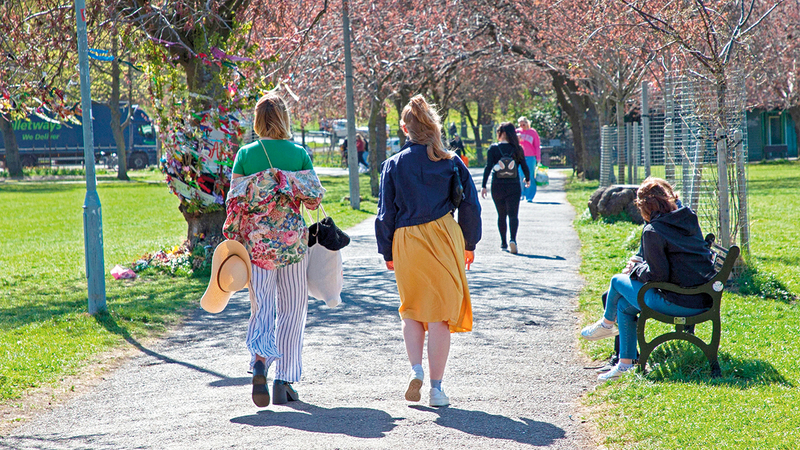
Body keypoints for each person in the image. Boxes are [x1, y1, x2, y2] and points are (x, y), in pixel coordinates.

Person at [376, 95, 482, 407]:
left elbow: (385, 214)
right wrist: (469, 243)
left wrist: (387, 252)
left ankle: (416, 369)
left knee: (411, 310)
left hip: (406, 240)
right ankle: (436, 389)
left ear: (404, 129)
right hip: (444, 237)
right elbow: (470, 205)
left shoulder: (392, 165)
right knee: (440, 316)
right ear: (433, 126)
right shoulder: (451, 161)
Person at [225, 92, 325, 407]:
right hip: (292, 243)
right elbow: (314, 199)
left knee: (262, 306)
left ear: (257, 120)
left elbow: (234, 202)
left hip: (257, 245)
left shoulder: (245, 155)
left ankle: (259, 362)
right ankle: (284, 379)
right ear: (284, 118)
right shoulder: (298, 154)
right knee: (293, 308)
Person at [580, 177, 717, 381]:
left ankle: (606, 324)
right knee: (624, 306)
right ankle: (625, 364)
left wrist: (635, 268)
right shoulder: (687, 217)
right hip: (702, 298)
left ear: (643, 207)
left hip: (678, 302)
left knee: (617, 281)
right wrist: (641, 267)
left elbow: (658, 275)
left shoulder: (653, 230)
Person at [481, 122, 530, 254]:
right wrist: (527, 178)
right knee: (513, 215)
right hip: (513, 185)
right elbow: (524, 165)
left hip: (497, 186)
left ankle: (503, 242)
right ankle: (513, 239)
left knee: (501, 215)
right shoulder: (517, 148)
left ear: (502, 133)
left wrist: (483, 185)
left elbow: (488, 167)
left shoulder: (493, 149)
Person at [516, 116, 541, 202]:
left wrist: (538, 158)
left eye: (524, 124)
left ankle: (529, 195)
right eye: (520, 125)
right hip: (519, 156)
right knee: (520, 175)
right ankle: (521, 194)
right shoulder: (517, 132)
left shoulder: (532, 132)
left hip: (531, 157)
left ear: (527, 123)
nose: (522, 126)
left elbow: (537, 145)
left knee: (530, 176)